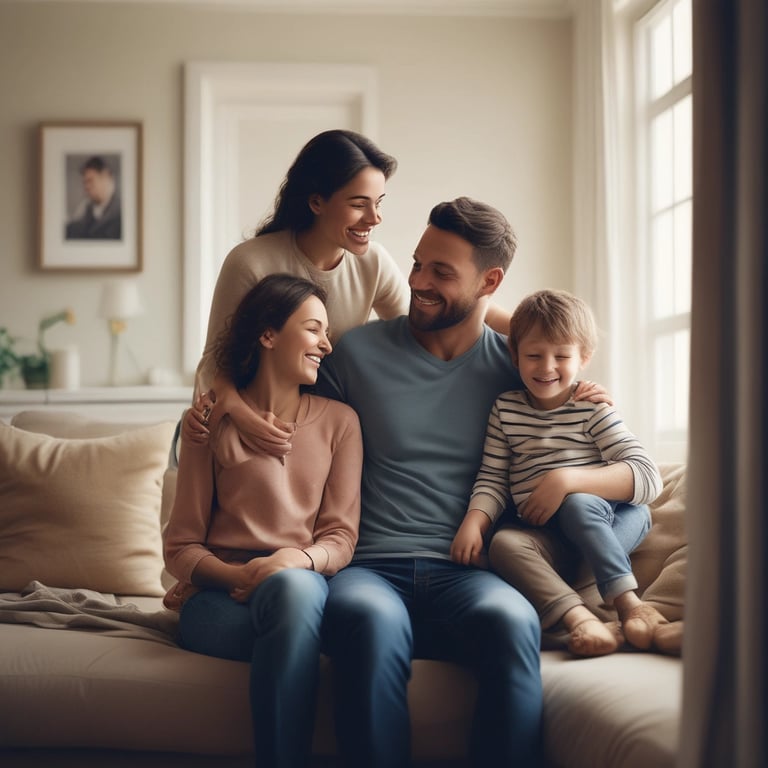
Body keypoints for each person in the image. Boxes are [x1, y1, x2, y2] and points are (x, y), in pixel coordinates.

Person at [313, 198, 609, 768]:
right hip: (370, 567)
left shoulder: (520, 371)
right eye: (417, 263)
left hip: (473, 575)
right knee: (371, 626)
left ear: (490, 280)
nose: (418, 281)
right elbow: (300, 445)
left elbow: (591, 434)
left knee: (513, 620)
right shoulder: (358, 352)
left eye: (440, 272)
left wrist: (590, 396)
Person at [184, 129, 512, 456]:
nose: (375, 218)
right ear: (316, 202)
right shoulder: (251, 262)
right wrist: (245, 417)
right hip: (235, 424)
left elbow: (435, 314)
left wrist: (537, 335)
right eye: (359, 204)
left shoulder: (372, 263)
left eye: (378, 203)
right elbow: (216, 362)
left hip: (307, 431)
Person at [162, 273, 363, 768]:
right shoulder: (209, 422)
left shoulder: (341, 423)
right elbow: (181, 546)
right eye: (313, 329)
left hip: (303, 584)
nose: (326, 343)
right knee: (307, 627)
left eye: (327, 332)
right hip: (219, 603)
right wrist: (239, 576)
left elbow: (340, 535)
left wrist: (295, 560)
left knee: (294, 596)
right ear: (268, 335)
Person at [451, 289, 667, 658]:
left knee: (578, 505)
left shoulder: (592, 408)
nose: (546, 367)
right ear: (514, 355)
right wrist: (475, 520)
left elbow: (649, 478)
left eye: (561, 356)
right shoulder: (506, 410)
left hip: (615, 520)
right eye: (533, 355)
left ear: (584, 358)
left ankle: (630, 606)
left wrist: (565, 480)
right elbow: (493, 477)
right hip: (549, 539)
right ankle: (581, 620)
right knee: (503, 544)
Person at [65, 155, 122, 240]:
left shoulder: (120, 212)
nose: (86, 187)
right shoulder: (85, 210)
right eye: (84, 182)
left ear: (105, 177)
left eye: (90, 181)